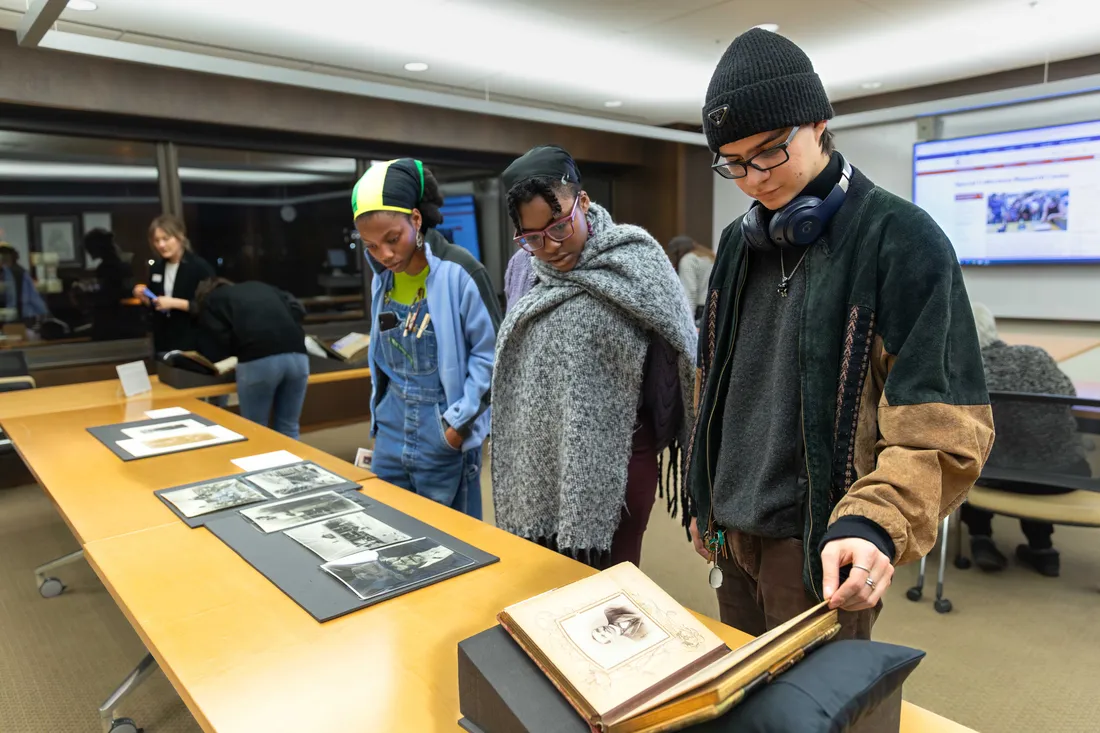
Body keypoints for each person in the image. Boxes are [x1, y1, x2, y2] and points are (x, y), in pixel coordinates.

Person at [687, 29, 994, 641]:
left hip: (823, 540)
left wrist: (873, 522)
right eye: (734, 163)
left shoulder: (903, 240)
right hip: (730, 528)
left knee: (820, 713)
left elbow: (943, 430)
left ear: (820, 122)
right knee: (745, 702)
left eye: (770, 152)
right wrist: (703, 495)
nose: (753, 179)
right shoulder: (736, 245)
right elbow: (712, 385)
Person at [491, 145, 697, 569]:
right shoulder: (521, 270)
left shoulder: (636, 259)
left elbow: (682, 352)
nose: (548, 246)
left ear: (582, 203)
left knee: (609, 597)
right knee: (542, 585)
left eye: (558, 227)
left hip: (618, 465)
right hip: (539, 463)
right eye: (532, 237)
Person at [353, 158, 500, 519]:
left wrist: (456, 427)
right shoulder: (382, 282)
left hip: (443, 432)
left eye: (392, 239)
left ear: (416, 220)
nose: (384, 255)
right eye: (370, 246)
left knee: (453, 543)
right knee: (391, 530)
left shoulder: (461, 272)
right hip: (389, 433)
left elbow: (495, 357)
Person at [961, 303, 1089, 577]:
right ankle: (1043, 550)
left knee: (972, 455)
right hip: (1066, 476)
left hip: (998, 478)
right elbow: (1070, 396)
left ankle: (981, 538)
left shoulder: (965, 374)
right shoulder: (1037, 356)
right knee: (1036, 449)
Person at [193, 277, 310, 439]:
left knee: (255, 429)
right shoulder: (262, 287)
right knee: (289, 426)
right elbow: (298, 309)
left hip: (259, 358)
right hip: (298, 355)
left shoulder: (212, 300)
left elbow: (217, 342)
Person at [133, 214, 214, 356]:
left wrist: (175, 303)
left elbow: (210, 306)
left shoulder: (199, 267)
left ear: (180, 236)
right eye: (156, 240)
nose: (161, 245)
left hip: (193, 341)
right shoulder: (156, 268)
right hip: (164, 342)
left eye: (166, 239)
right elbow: (156, 305)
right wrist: (146, 298)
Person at [79, 229, 143, 341]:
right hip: (128, 323)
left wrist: (88, 297)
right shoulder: (122, 265)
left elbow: (110, 297)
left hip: (115, 324)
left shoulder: (107, 268)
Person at [665, 235, 715, 323]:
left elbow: (690, 292)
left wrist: (688, 320)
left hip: (701, 311)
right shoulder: (710, 257)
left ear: (678, 251)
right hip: (715, 306)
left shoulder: (688, 260)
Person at [0, 243, 49, 323]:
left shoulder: (14, 273)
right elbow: (34, 297)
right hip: (22, 314)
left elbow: (32, 297)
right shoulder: (19, 271)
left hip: (19, 315)